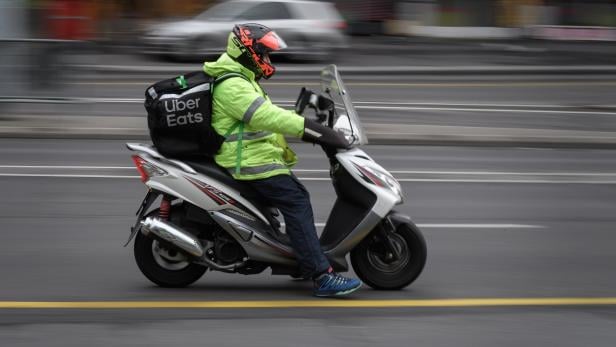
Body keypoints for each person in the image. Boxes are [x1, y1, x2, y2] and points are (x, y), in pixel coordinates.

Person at [204, 23, 361, 297]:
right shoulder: (233, 85)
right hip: (248, 163)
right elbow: (267, 117)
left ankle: (303, 257)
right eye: (264, 54)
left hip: (254, 158)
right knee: (296, 199)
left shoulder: (241, 77)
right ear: (248, 51)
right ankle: (321, 275)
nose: (267, 60)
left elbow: (266, 113)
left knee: (294, 199)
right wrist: (313, 129)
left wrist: (309, 118)